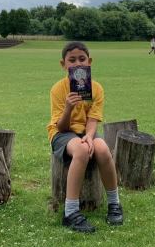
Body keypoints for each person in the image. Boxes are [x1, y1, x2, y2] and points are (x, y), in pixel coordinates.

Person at [47, 41, 123, 233]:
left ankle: (114, 203)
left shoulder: (96, 89)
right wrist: (68, 107)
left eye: (82, 59)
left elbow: (93, 120)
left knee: (103, 149)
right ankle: (70, 212)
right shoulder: (58, 89)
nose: (77, 63)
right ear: (63, 64)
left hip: (85, 132)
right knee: (81, 150)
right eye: (71, 60)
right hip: (61, 134)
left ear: (89, 62)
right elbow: (62, 127)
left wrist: (89, 136)